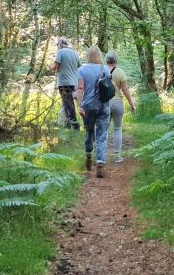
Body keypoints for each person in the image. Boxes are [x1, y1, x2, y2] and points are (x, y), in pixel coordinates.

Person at [76, 45, 112, 177]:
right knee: (102, 135)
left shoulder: (81, 70)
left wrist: (79, 105)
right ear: (99, 56)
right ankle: (100, 164)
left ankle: (88, 157)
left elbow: (80, 89)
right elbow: (108, 87)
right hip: (104, 106)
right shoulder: (105, 69)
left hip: (88, 106)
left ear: (88, 55)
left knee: (89, 132)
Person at [105, 50, 136, 163]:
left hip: (105, 104)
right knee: (118, 129)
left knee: (105, 129)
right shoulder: (120, 72)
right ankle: (117, 156)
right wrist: (131, 103)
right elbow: (125, 89)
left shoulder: (102, 70)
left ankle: (102, 155)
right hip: (118, 103)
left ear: (106, 60)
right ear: (116, 60)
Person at [50, 38, 81, 130]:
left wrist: (50, 67)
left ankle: (75, 126)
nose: (57, 47)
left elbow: (55, 66)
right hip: (74, 82)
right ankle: (65, 124)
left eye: (57, 45)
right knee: (67, 104)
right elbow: (79, 66)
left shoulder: (61, 52)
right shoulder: (74, 53)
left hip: (64, 83)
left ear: (60, 44)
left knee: (68, 104)